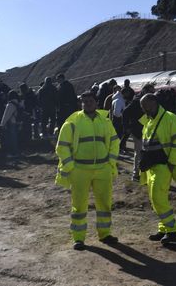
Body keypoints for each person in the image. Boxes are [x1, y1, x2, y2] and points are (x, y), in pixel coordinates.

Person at [54, 91, 120, 250]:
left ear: (96, 102)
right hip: (80, 170)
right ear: (81, 104)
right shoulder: (72, 122)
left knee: (104, 204)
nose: (88, 103)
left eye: (90, 101)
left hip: (102, 169)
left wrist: (110, 163)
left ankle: (105, 234)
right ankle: (78, 238)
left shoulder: (105, 122)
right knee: (79, 205)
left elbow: (114, 142)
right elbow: (62, 147)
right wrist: (71, 166)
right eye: (85, 101)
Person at [137, 93, 176, 245]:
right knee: (155, 199)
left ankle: (173, 229)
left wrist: (172, 163)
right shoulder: (148, 120)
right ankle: (164, 227)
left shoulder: (170, 118)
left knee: (158, 197)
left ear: (154, 102)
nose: (143, 108)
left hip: (163, 165)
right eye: (142, 106)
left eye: (145, 105)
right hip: (151, 166)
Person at [122, 83, 156, 180]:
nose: (152, 94)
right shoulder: (137, 101)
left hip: (146, 130)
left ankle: (144, 172)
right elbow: (125, 112)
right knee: (139, 152)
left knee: (145, 152)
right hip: (137, 131)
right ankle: (136, 174)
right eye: (151, 92)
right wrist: (126, 127)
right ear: (145, 91)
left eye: (153, 92)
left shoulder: (150, 102)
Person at [0, 90, 22, 159]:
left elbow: (6, 115)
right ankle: (16, 152)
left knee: (12, 139)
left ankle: (13, 153)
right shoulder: (18, 103)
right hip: (17, 122)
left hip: (11, 122)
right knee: (15, 138)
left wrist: (2, 124)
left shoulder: (10, 104)